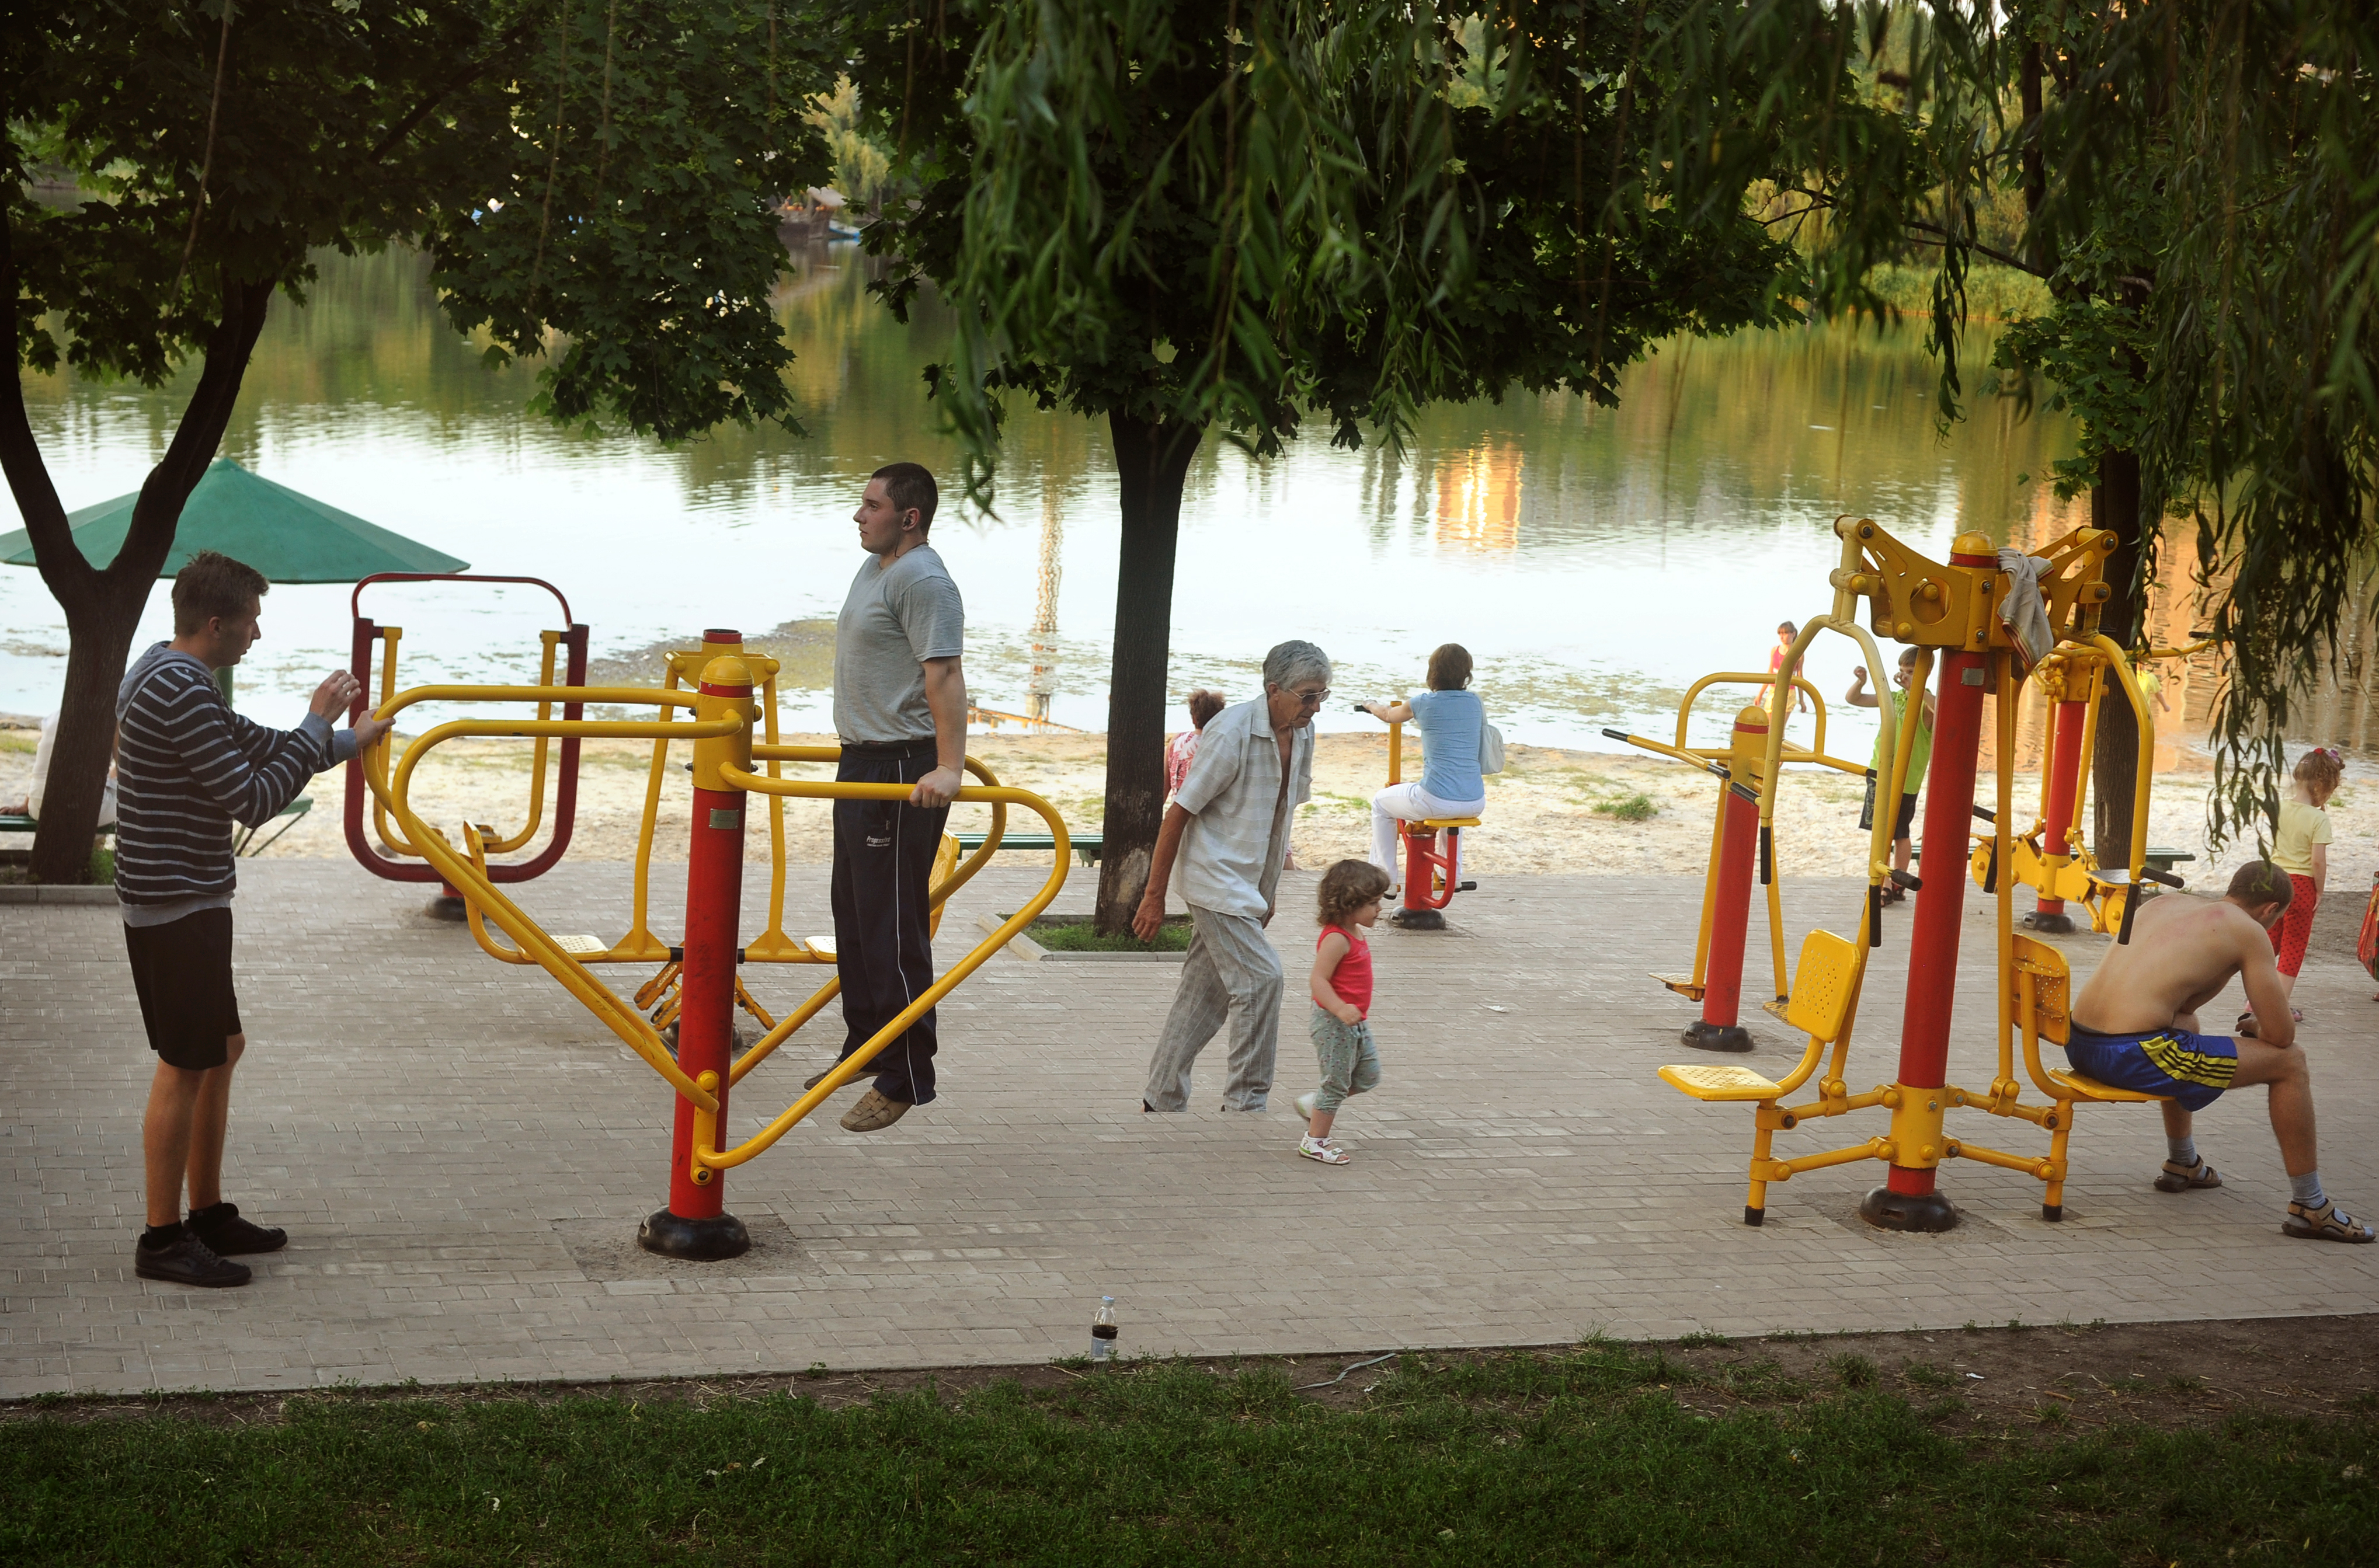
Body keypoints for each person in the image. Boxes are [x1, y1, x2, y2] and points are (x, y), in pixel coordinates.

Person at [118, 551, 392, 1287]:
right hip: (177, 904)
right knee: (184, 1065)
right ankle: (161, 1237)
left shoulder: (165, 668)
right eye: (251, 623)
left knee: (222, 1048)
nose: (258, 636)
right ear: (217, 624)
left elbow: (253, 746)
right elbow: (255, 798)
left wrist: (344, 741)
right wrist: (317, 719)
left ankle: (205, 1213)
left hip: (185, 898)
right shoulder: (179, 689)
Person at [2067, 859, 2371, 1242]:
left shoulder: (2164, 904)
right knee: (2291, 1063)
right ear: (2270, 910)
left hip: (2079, 1044)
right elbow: (2281, 1036)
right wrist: (2261, 1026)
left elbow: (2183, 1009)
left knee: (2186, 1028)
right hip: (2130, 1054)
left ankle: (2183, 1162)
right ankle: (2311, 1206)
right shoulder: (2247, 930)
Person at [809, 462, 967, 1134]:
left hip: (903, 768)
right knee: (852, 911)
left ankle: (906, 1075)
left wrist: (950, 768)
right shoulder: (877, 567)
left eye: (871, 505)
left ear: (909, 517)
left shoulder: (924, 579)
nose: (858, 514)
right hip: (860, 762)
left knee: (893, 924)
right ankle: (866, 1046)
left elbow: (946, 676)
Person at [1133, 640, 1328, 1113]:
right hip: (1212, 879)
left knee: (1204, 994)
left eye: (1323, 696)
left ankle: (1160, 1098)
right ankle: (1246, 1102)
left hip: (1248, 885)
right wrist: (1153, 896)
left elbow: (1282, 815)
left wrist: (1270, 889)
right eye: (1307, 696)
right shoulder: (1232, 731)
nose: (1315, 706)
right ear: (1273, 689)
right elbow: (1177, 814)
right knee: (1263, 980)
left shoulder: (1303, 733)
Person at [1356, 643, 1488, 894]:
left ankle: (1387, 879)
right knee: (1452, 814)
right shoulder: (1475, 702)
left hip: (1435, 800)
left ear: (1433, 672)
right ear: (1466, 673)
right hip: (1475, 800)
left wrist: (1370, 704)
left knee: (1381, 804)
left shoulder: (1423, 703)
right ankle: (1452, 875)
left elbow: (1388, 714)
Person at [1293, 859, 1390, 1164]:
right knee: (1336, 1082)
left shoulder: (1355, 932)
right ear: (1349, 903)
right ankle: (1316, 1141)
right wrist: (1339, 1008)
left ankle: (1316, 1106)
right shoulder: (1337, 938)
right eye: (1373, 903)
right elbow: (1317, 980)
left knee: (1367, 1075)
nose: (1379, 909)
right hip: (1334, 1022)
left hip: (1354, 1020)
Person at [2252, 747, 2342, 1029]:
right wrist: (2320, 891)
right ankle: (2277, 1010)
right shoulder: (2318, 819)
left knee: (2270, 943)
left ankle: (2254, 1000)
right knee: (2294, 948)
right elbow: (2317, 862)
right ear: (2322, 785)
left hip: (2275, 880)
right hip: (2302, 886)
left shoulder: (2277, 806)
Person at [1846, 647, 1935, 903]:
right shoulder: (1894, 698)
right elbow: (1855, 699)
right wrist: (1861, 682)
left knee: (1901, 833)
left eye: (1912, 673)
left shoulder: (1925, 704)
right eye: (1903, 671)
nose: (1905, 677)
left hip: (1906, 779)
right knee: (1879, 831)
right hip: (1880, 771)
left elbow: (1942, 713)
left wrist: (1920, 690)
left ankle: (1898, 880)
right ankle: (1882, 882)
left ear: (1927, 674)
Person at [1164, 689, 1226, 800]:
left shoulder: (1176, 740)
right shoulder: (1219, 744)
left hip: (1177, 811)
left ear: (1194, 719)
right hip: (1206, 814)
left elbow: (1165, 784)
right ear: (1219, 718)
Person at [1755, 621, 1809, 715]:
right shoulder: (1775, 651)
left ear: (1793, 634)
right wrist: (1760, 695)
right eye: (1780, 634)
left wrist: (1802, 701)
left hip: (1789, 692)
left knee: (1780, 726)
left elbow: (1800, 677)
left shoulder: (1799, 654)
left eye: (1785, 633)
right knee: (1769, 726)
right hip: (1773, 689)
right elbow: (1770, 673)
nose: (1782, 637)